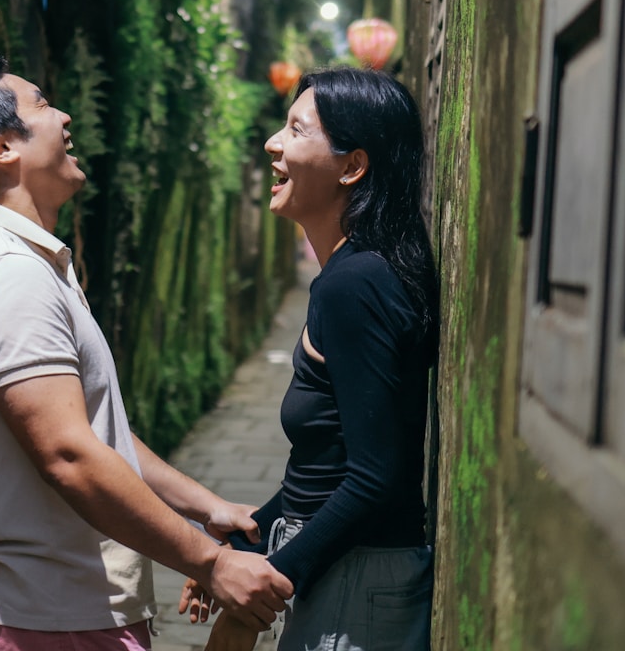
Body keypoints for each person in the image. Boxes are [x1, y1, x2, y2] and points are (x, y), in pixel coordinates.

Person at [0, 56, 293, 651]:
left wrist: (203, 507)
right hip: (49, 621)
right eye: (40, 103)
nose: (63, 115)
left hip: (67, 616)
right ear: (1, 146)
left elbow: (91, 430)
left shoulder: (32, 262)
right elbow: (69, 453)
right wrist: (211, 562)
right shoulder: (9, 273)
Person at [184, 67, 439, 651]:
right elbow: (320, 468)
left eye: (296, 130)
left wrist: (269, 581)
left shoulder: (355, 285)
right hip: (347, 571)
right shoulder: (354, 275)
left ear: (352, 167)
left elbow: (376, 476)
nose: (273, 142)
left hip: (359, 582)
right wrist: (238, 552)